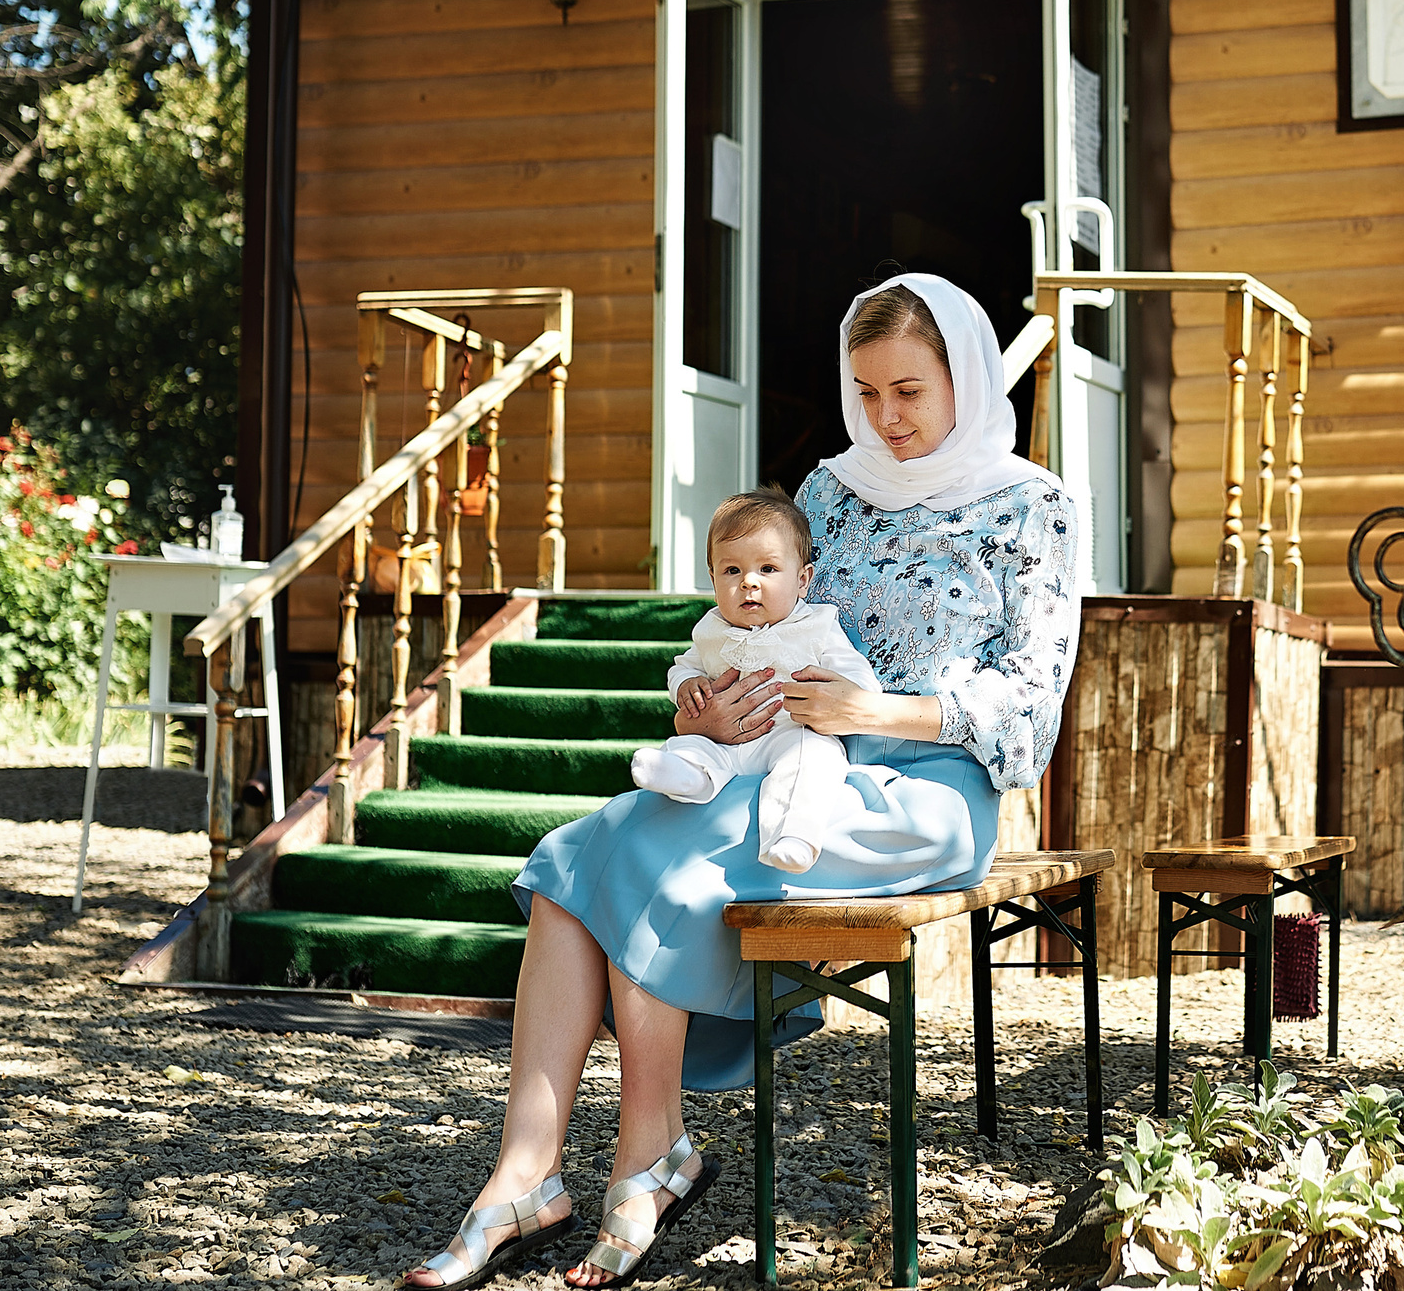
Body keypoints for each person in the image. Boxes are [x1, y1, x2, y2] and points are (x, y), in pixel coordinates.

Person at [401, 271, 1082, 1290]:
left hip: (922, 788)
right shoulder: (828, 493)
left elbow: (1030, 708)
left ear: (968, 379)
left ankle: (647, 1161)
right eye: (867, 392)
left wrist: (874, 712)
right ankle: (525, 1171)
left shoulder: (1032, 505)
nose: (885, 417)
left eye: (910, 390)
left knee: (662, 869)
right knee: (576, 855)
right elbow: (754, 624)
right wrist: (703, 711)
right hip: (773, 758)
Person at [629, 487, 880, 875]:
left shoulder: (817, 625)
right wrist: (686, 684)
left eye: (767, 569)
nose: (749, 582)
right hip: (721, 740)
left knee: (815, 757)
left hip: (788, 732)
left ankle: (793, 835)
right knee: (694, 745)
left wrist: (846, 687)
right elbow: (684, 665)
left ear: (802, 579)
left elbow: (858, 678)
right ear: (712, 578)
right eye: (732, 571)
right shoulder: (711, 628)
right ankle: (682, 775)